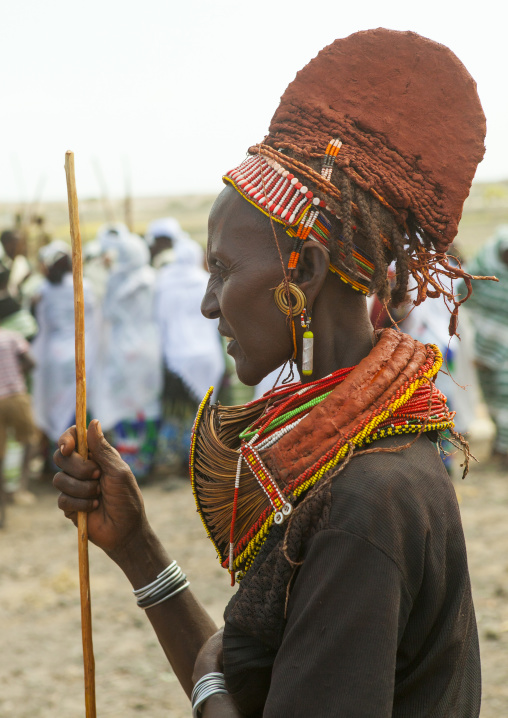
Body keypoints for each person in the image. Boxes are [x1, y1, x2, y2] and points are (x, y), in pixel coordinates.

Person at [53, 30, 490, 717]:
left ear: (305, 273)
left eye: (222, 271)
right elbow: (260, 689)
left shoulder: (367, 500)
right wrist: (137, 547)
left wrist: (207, 685)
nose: (205, 304)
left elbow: (228, 688)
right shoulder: (359, 458)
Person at [146, 218, 225, 471]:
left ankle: (177, 458)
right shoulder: (206, 280)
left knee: (176, 410)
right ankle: (201, 458)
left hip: (176, 355)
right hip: (207, 354)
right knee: (204, 409)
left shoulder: (163, 283)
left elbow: (159, 320)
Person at [90, 225, 162, 481]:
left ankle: (128, 463)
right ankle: (146, 460)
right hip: (149, 346)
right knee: (147, 403)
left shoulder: (115, 281)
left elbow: (108, 314)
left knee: (124, 404)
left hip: (122, 349)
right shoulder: (152, 278)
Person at [32, 240, 96, 452]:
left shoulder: (44, 290)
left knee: (55, 404)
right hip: (81, 352)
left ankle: (59, 456)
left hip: (54, 355)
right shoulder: (84, 285)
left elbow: (41, 324)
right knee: (80, 401)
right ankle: (82, 451)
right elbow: (95, 319)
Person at [458, 225, 508, 469]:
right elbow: (463, 293)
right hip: (484, 342)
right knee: (492, 396)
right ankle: (501, 442)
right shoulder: (483, 270)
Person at [0, 326, 36, 527]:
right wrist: (16, 373)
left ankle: (3, 500)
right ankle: (22, 488)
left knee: (0, 454)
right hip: (15, 395)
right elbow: (31, 362)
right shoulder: (11, 336)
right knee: (29, 440)